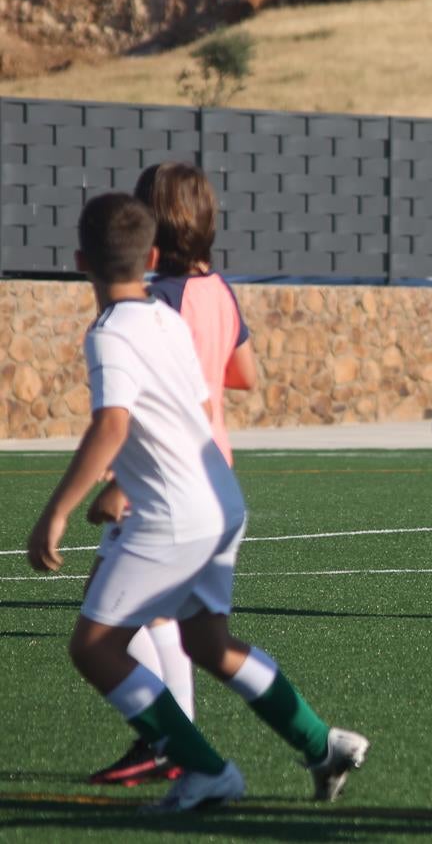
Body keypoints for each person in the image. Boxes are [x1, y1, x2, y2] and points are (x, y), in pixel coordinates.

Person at [27, 193, 367, 812]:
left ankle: (206, 769)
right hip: (220, 500)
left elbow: (112, 425)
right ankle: (323, 743)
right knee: (208, 645)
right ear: (152, 257)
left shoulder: (109, 333)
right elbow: (193, 409)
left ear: (80, 261)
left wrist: (55, 511)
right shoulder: (164, 317)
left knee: (93, 645)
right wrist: (124, 480)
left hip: (173, 514)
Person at [87, 162, 259, 787]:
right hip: (213, 466)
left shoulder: (156, 301)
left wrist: (119, 480)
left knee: (112, 614)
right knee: (161, 615)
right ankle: (172, 741)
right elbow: (246, 375)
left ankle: (170, 739)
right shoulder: (219, 289)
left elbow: (148, 396)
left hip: (162, 470)